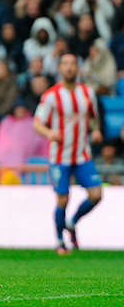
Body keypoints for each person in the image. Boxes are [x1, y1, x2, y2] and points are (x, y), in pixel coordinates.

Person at [32, 54, 103, 255]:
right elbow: (37, 123)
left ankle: (71, 222)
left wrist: (96, 130)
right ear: (60, 68)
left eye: (73, 64)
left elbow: (93, 117)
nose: (69, 67)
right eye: (65, 64)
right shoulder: (51, 95)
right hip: (59, 157)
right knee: (63, 199)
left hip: (82, 155)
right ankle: (59, 240)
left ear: (77, 68)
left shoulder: (87, 92)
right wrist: (49, 133)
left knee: (96, 194)